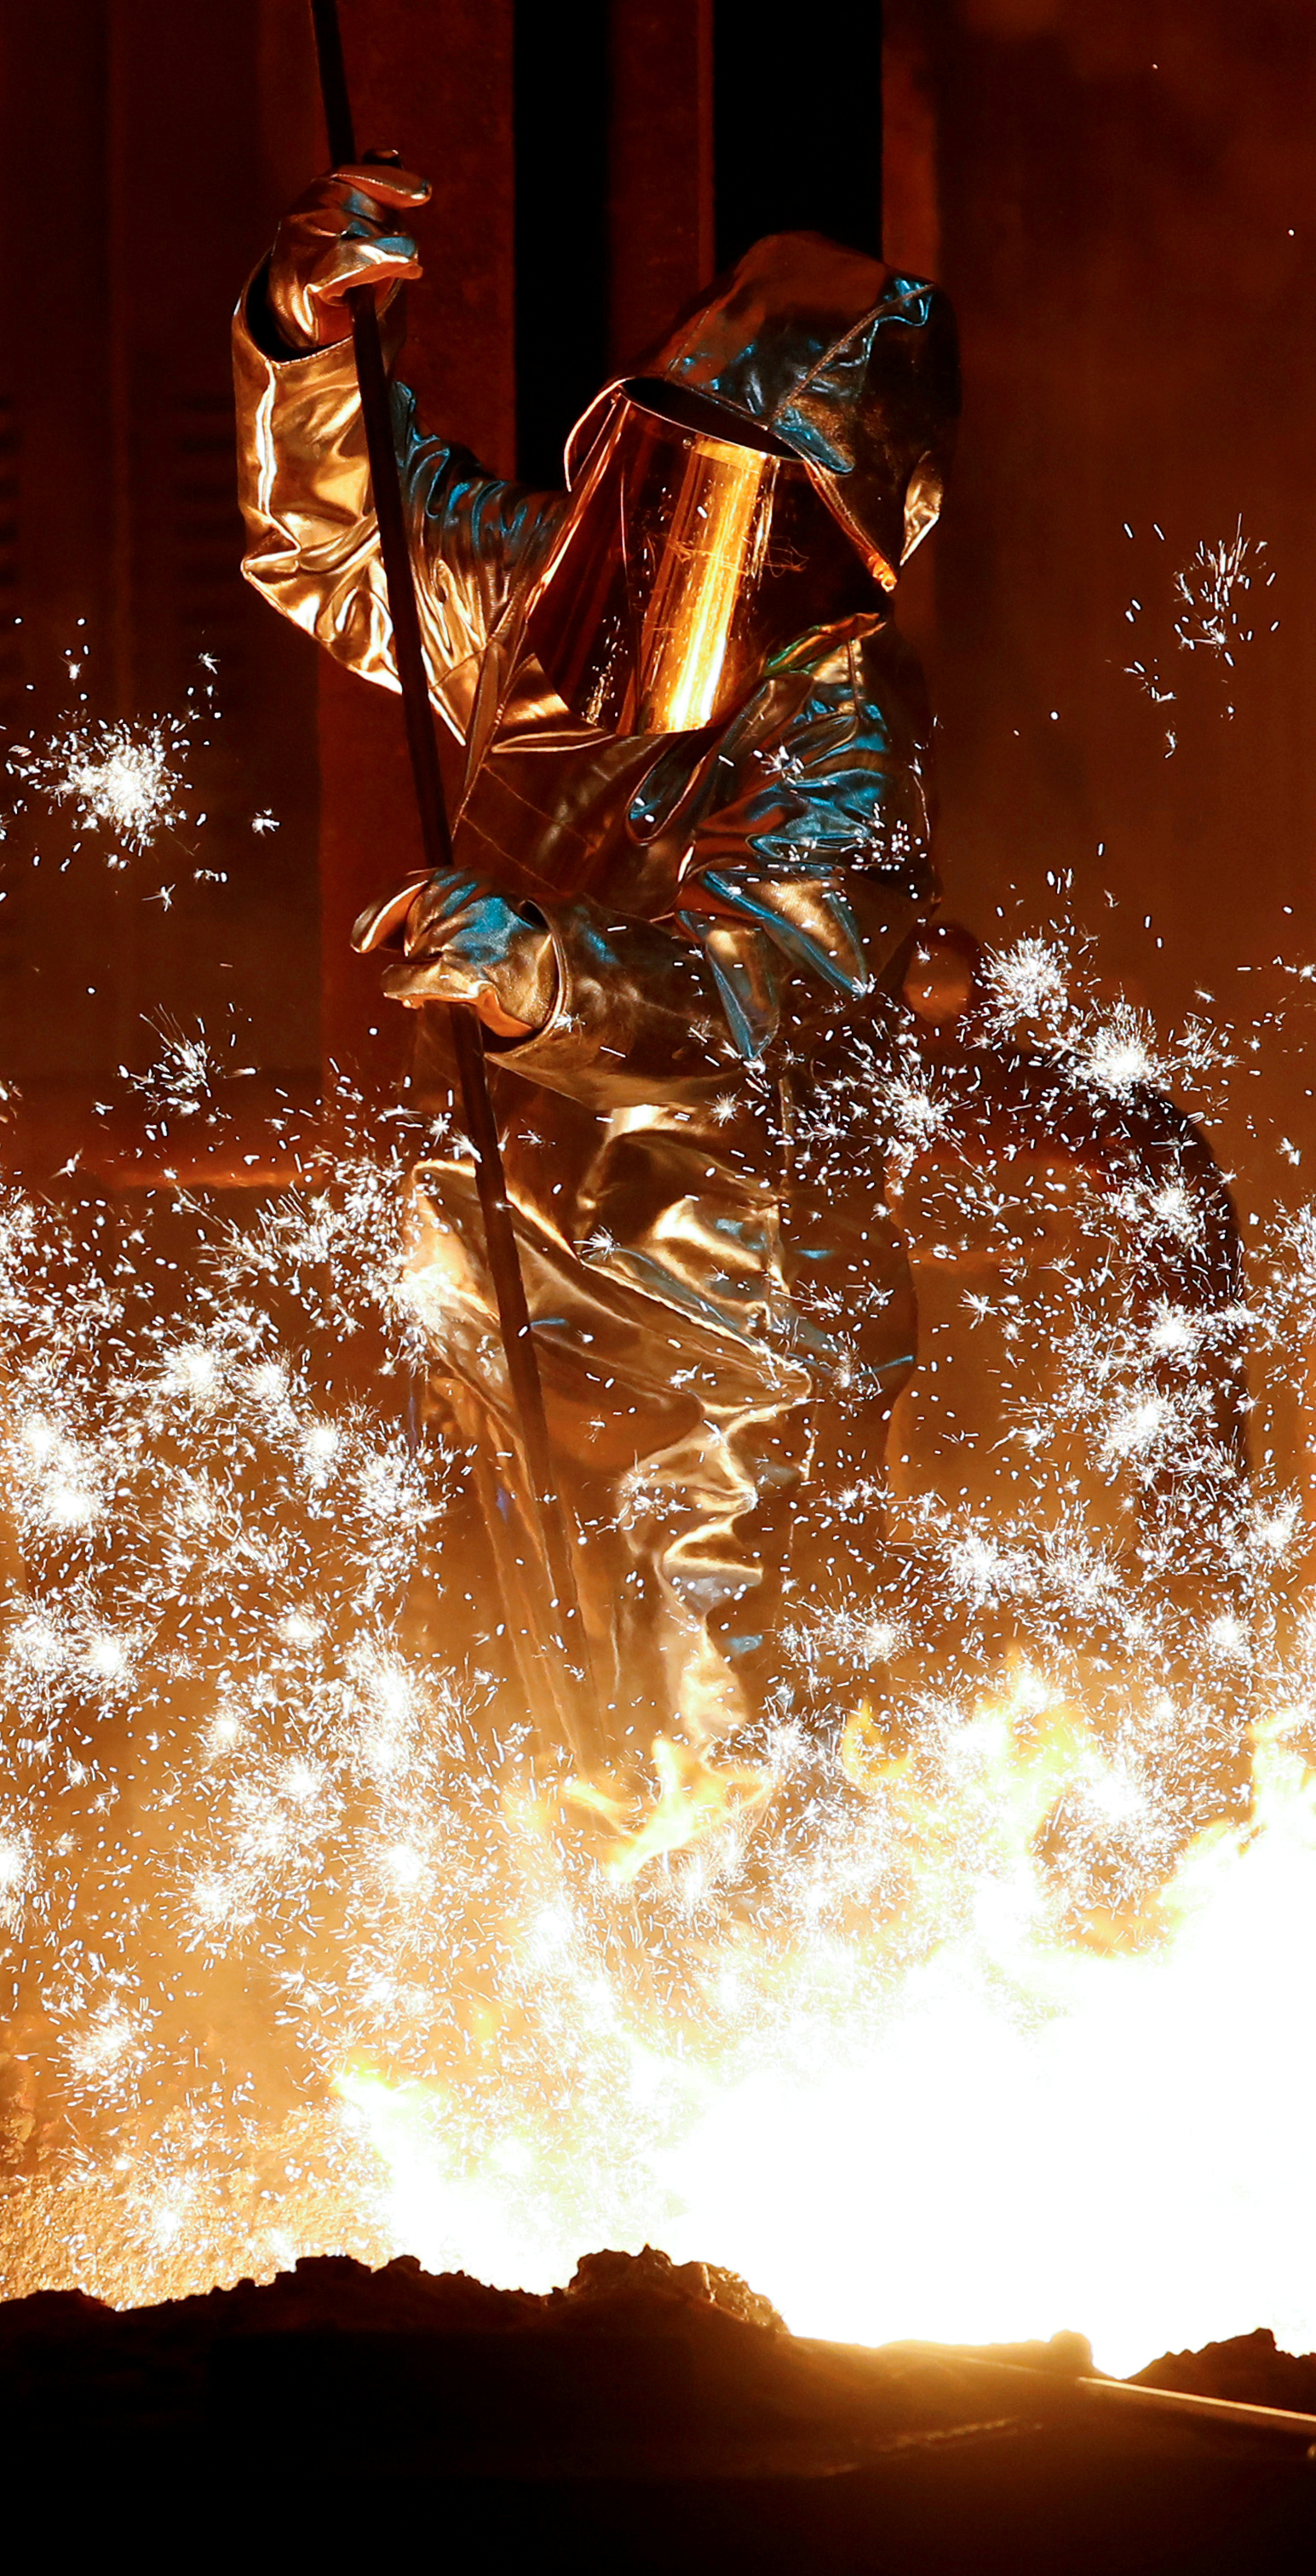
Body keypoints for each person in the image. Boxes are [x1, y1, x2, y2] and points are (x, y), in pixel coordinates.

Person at [232, 162, 959, 1771]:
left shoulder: (835, 730)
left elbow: (751, 997)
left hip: (721, 1339)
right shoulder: (574, 595)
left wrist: (540, 975)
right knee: (515, 1762)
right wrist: (305, 342)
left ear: (818, 546)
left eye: (735, 494)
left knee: (718, 1771)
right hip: (503, 1284)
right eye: (671, 468)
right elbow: (352, 549)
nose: (679, 527)